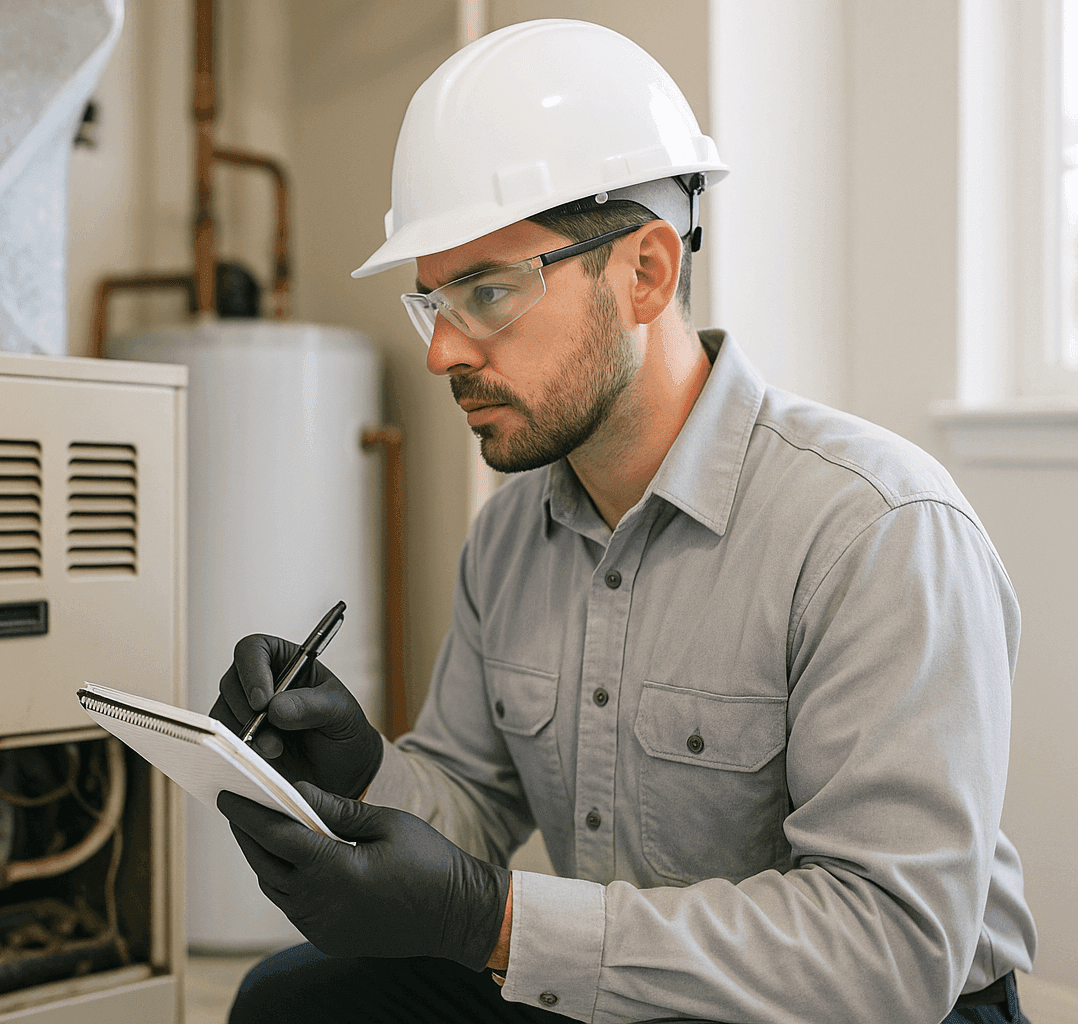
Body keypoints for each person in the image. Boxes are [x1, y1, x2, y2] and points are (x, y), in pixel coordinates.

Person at [209, 19, 1038, 1024]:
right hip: (625, 984)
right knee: (289, 1004)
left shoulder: (876, 529)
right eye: (434, 303)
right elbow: (467, 811)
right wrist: (360, 772)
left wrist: (497, 924)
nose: (442, 355)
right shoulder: (511, 537)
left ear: (646, 271)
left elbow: (888, 951)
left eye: (489, 290)